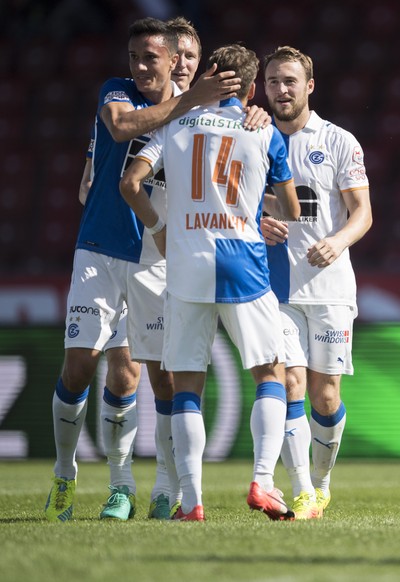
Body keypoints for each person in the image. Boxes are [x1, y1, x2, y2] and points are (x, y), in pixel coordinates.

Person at [45, 17, 246, 523]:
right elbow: (118, 129)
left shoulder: (201, 113)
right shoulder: (120, 92)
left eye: (155, 58)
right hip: (100, 247)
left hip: (158, 258)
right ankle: (65, 475)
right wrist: (192, 99)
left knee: (145, 374)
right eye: (138, 57)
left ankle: (131, 487)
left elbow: (228, 160)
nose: (142, 66)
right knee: (79, 363)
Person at [120, 43, 301, 522]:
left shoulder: (173, 124)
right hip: (244, 262)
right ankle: (262, 482)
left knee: (186, 386)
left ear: (210, 75)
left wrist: (158, 228)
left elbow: (130, 182)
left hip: (187, 264)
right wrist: (257, 211)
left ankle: (193, 501)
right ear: (250, 87)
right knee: (269, 373)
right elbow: (293, 209)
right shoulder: (262, 131)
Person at [260, 46, 372, 519]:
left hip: (328, 286)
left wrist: (337, 241)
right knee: (290, 383)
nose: (280, 90)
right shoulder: (253, 139)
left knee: (327, 396)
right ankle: (303, 488)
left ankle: (321, 482)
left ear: (309, 86)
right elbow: (235, 206)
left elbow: (363, 213)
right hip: (275, 285)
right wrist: (258, 222)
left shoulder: (339, 140)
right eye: (272, 83)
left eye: (289, 81)